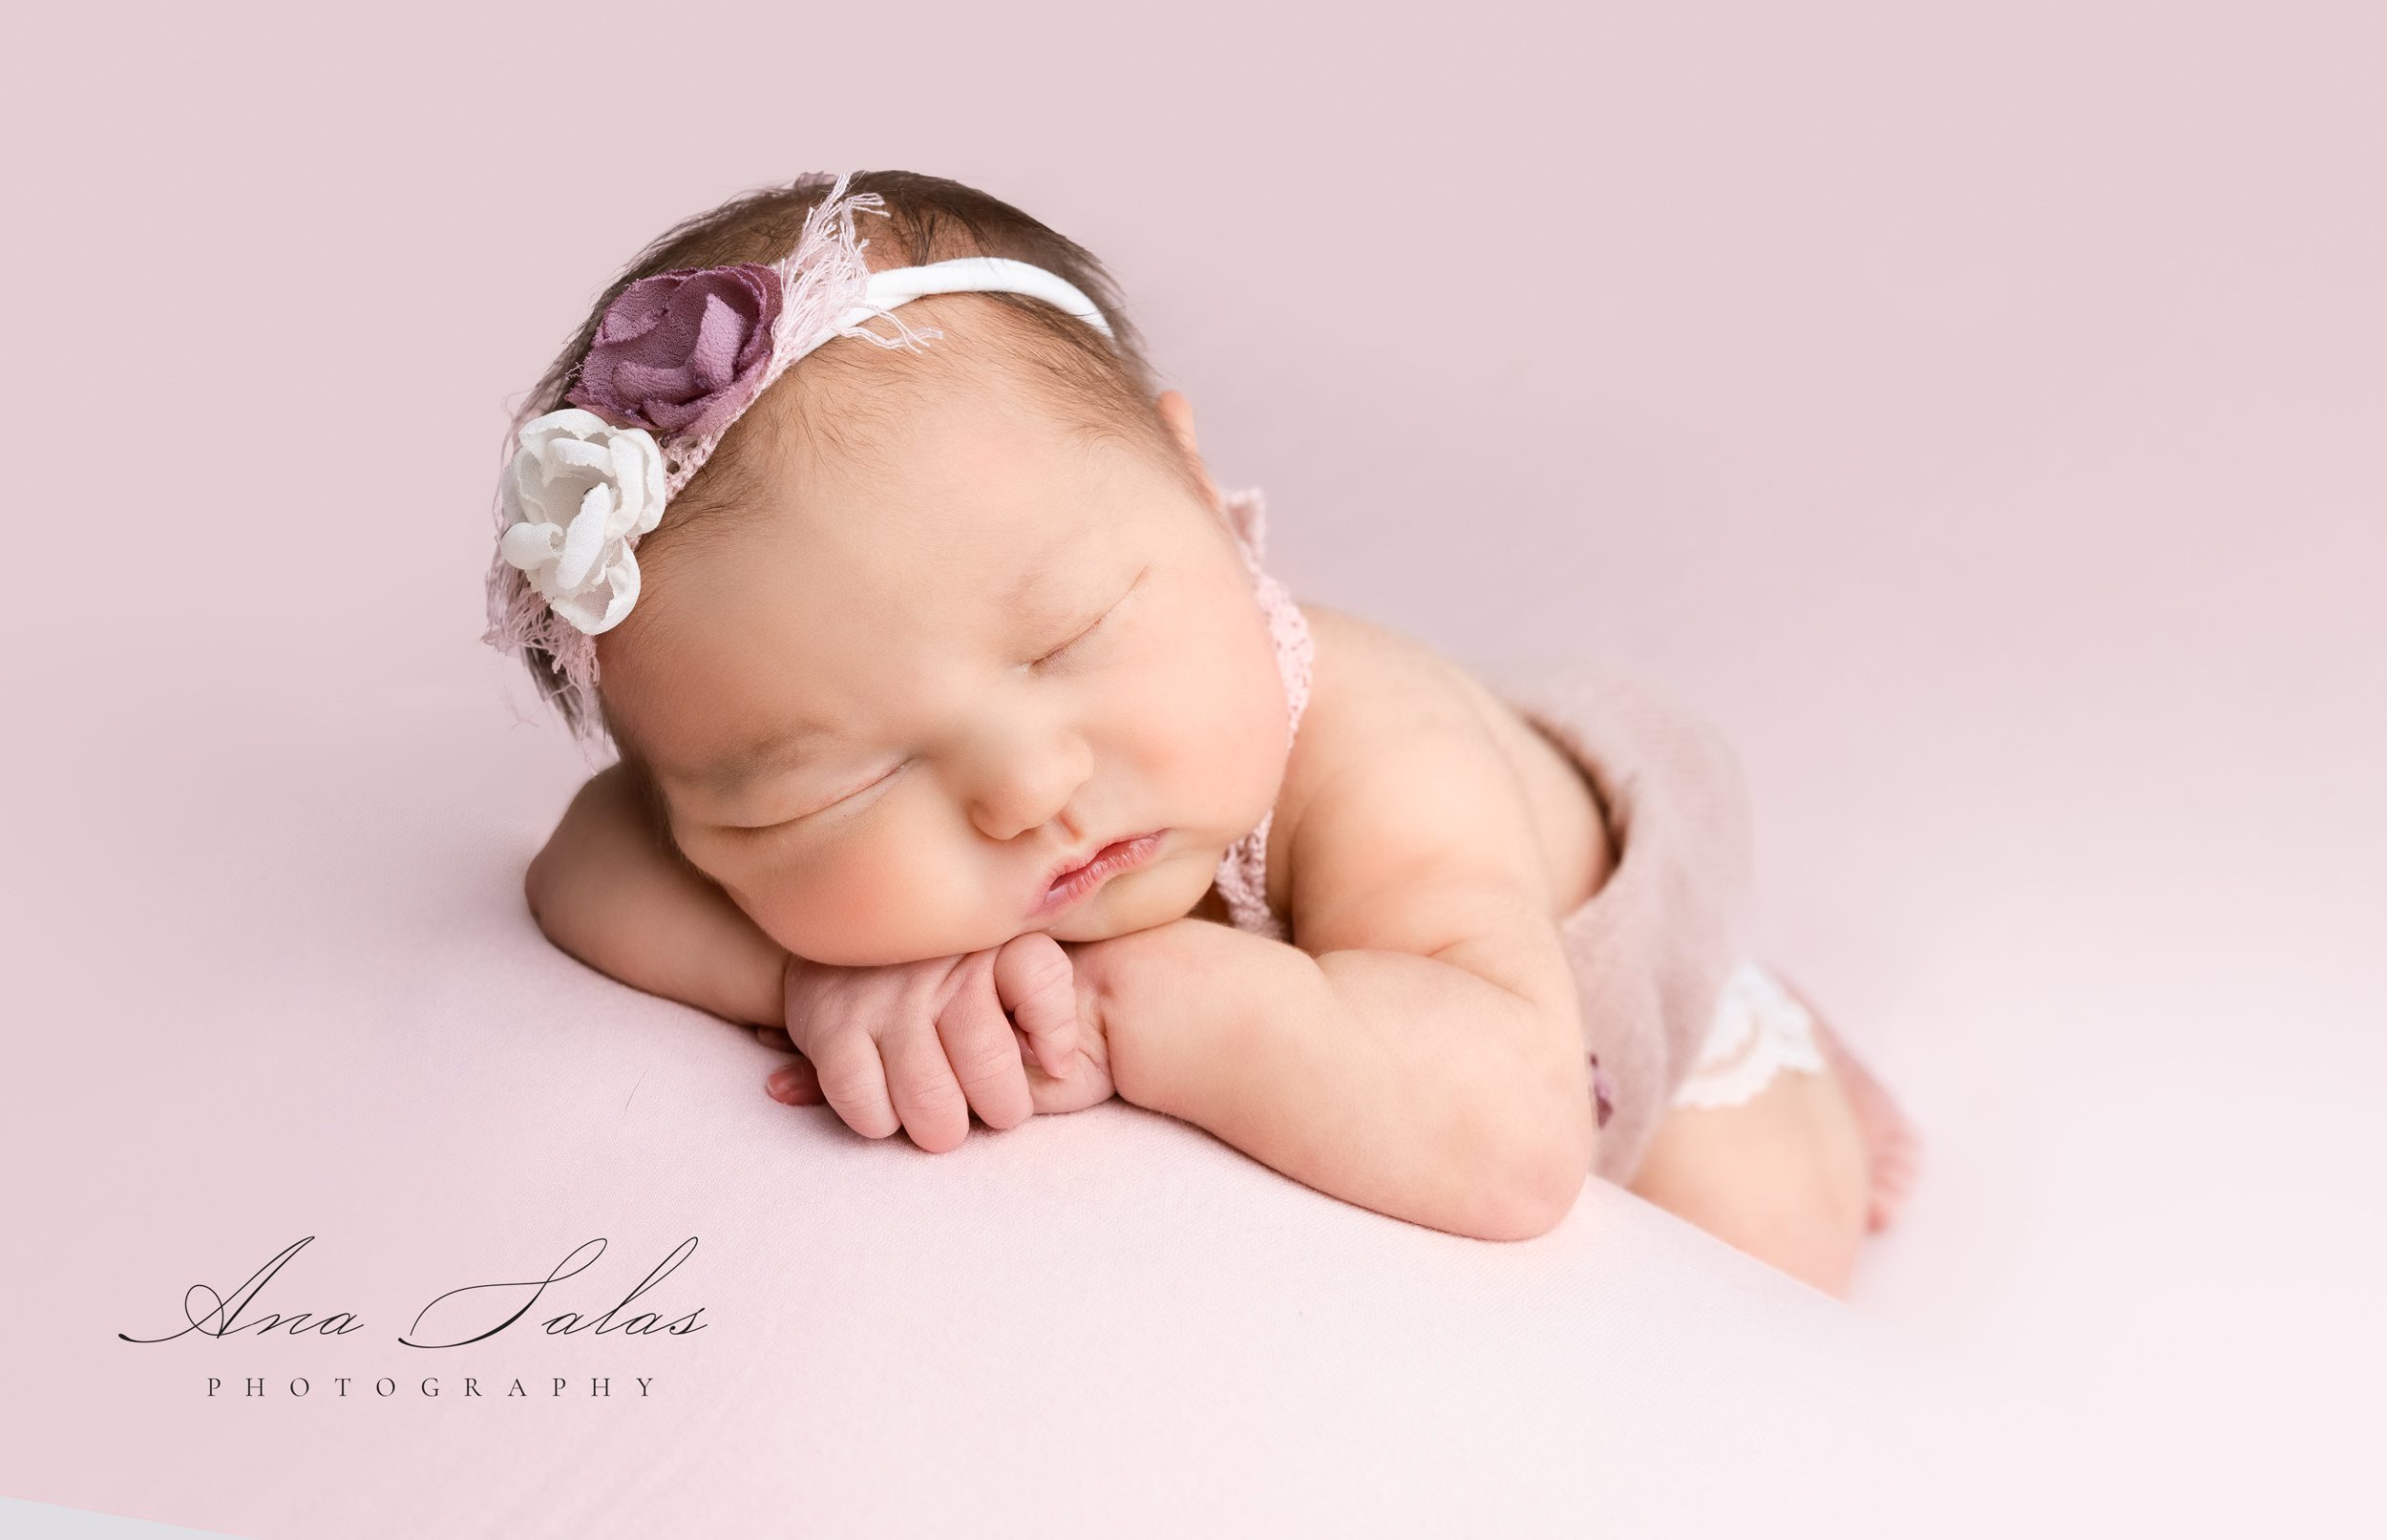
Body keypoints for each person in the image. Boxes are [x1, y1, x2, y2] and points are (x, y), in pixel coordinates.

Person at [494, 170, 1918, 1292]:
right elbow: (585, 868)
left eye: (1066, 642)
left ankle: (1769, 1024)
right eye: (837, 785)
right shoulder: (720, 821)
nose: (1026, 790)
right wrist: (803, 978)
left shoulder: (1375, 753)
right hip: (1424, 944)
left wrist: (1109, 1005)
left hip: (1577, 930)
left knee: (1764, 1236)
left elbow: (1510, 1143)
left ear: (1192, 480)